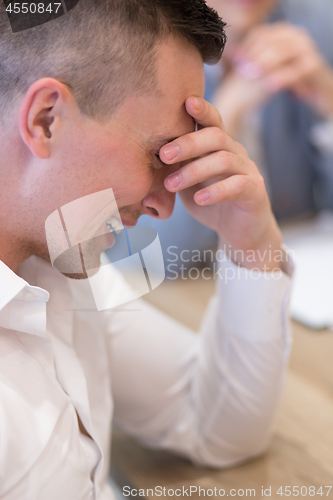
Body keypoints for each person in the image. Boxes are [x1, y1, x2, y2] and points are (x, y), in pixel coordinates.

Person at [0, 1, 292, 499]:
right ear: (46, 119)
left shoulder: (62, 266)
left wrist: (251, 243)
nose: (166, 204)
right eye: (159, 154)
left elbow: (214, 426)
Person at [142, 0, 333, 269]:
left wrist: (329, 102)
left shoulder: (316, 23)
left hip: (301, 270)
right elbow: (151, 258)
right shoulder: (145, 43)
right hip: (192, 286)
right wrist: (225, 116)